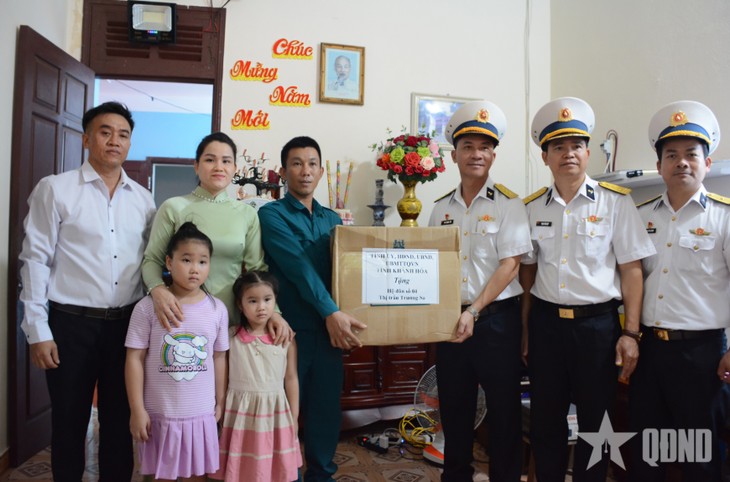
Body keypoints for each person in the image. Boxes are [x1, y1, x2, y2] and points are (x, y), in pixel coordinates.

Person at [18, 101, 156, 481]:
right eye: (105, 131)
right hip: (69, 325)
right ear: (86, 138)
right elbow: (34, 260)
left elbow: (149, 266)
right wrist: (37, 331)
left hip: (126, 328)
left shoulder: (144, 200)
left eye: (123, 134)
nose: (114, 141)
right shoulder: (56, 189)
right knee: (68, 421)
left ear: (129, 144)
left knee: (119, 421)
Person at [519, 97, 655, 481]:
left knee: (598, 426)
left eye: (576, 146)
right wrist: (526, 330)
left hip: (597, 328)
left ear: (588, 152)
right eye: (558, 147)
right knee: (545, 420)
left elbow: (632, 271)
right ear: (545, 157)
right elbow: (527, 275)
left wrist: (631, 332)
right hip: (546, 326)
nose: (568, 154)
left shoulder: (615, 204)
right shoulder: (531, 208)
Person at [428, 101, 531, 482]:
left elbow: (511, 265)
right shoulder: (439, 209)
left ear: (493, 154)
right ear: (454, 154)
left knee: (504, 412)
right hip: (451, 320)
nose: (476, 154)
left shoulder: (509, 205)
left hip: (495, 323)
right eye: (468, 146)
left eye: (484, 147)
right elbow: (431, 267)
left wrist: (474, 311)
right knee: (455, 409)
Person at [629, 100, 730, 481]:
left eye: (692, 154)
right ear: (659, 166)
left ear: (707, 163)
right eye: (672, 155)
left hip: (702, 355)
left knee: (699, 454)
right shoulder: (641, 216)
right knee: (649, 451)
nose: (682, 162)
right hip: (650, 349)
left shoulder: (724, 217)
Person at [258, 136, 367, 481]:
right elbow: (297, 268)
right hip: (288, 331)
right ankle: (282, 473)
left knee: (324, 409)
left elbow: (347, 272)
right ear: (282, 171)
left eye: (312, 164)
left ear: (321, 171)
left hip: (330, 331)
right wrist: (330, 312)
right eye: (297, 163)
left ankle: (321, 473)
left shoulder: (332, 218)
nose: (305, 172)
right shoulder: (270, 214)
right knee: (283, 409)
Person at [141, 132, 292, 341]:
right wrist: (157, 291)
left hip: (232, 319)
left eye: (226, 161)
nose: (218, 167)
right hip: (179, 316)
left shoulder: (246, 214)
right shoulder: (173, 207)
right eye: (210, 160)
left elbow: (257, 270)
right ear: (196, 166)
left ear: (235, 169)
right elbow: (152, 260)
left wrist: (274, 311)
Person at [125, 222, 229, 481]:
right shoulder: (146, 308)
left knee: (197, 476)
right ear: (169, 263)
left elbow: (219, 357)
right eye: (186, 260)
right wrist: (137, 409)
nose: (195, 269)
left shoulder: (217, 309)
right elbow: (134, 358)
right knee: (161, 476)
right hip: (160, 415)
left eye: (203, 262)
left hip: (200, 414)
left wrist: (221, 400)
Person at [214, 271, 302, 482]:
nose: (261, 307)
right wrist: (222, 408)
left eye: (267, 300)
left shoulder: (286, 339)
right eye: (252, 301)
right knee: (242, 467)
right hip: (240, 414)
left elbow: (291, 378)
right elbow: (223, 379)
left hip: (275, 413)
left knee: (272, 468)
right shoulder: (230, 337)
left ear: (275, 302)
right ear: (240, 304)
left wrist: (294, 417)